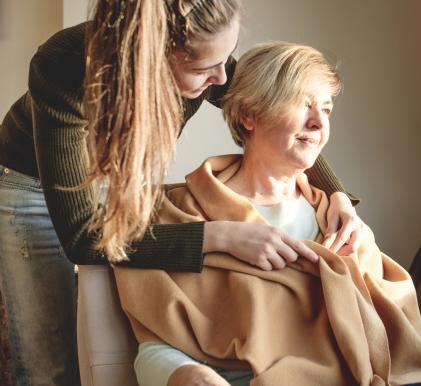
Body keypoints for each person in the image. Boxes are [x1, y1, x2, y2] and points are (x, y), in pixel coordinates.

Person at [0, 1, 362, 384]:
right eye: (205, 69)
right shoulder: (64, 65)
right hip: (31, 186)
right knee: (49, 362)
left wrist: (335, 192)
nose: (223, 79)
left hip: (119, 181)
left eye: (226, 59)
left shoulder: (208, 57)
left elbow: (262, 105)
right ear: (152, 58)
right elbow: (84, 238)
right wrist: (221, 235)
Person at [114, 41, 421, 386]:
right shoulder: (181, 214)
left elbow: (394, 342)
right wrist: (186, 374)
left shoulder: (338, 221)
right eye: (302, 104)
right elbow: (155, 345)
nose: (318, 123)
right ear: (250, 115)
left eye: (326, 109)